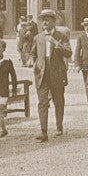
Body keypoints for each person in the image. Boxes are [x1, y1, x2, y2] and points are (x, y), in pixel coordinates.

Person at [32, 9, 72, 141]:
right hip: (42, 74)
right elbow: (33, 53)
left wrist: (55, 43)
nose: (44, 22)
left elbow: (68, 52)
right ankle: (43, 131)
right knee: (42, 102)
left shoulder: (61, 36)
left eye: (47, 20)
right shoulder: (38, 37)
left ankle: (59, 126)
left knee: (58, 101)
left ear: (54, 22)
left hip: (57, 74)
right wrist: (34, 63)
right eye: (43, 20)